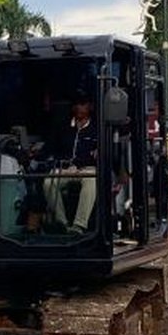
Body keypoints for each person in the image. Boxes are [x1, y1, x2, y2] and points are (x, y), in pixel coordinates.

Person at [46, 95, 97, 232]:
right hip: (66, 169)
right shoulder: (63, 127)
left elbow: (100, 153)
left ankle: (79, 225)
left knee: (91, 181)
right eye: (77, 104)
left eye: (83, 104)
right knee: (48, 182)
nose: (79, 108)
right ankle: (62, 223)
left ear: (90, 107)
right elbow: (51, 150)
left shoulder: (97, 129)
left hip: (87, 169)